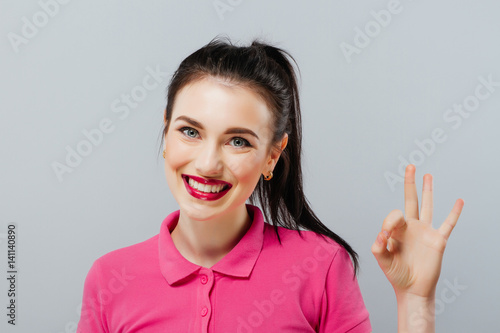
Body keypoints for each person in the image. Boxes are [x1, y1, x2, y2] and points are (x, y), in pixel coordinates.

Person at [76, 36, 464, 332]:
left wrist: (416, 302)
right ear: (166, 131)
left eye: (238, 141)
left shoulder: (321, 266)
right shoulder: (110, 277)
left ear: (273, 156)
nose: (208, 163)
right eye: (190, 131)